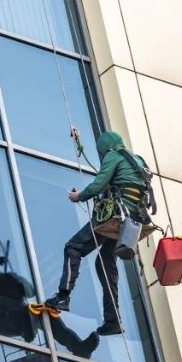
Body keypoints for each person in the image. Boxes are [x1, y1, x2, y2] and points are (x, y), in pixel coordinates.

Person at [44, 130, 151, 336]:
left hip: (114, 217)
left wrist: (79, 196)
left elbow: (97, 185)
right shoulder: (137, 160)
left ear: (104, 149)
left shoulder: (113, 155)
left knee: (73, 247)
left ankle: (63, 296)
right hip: (132, 222)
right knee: (105, 264)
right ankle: (113, 321)